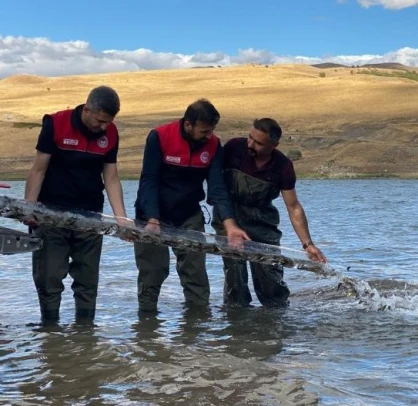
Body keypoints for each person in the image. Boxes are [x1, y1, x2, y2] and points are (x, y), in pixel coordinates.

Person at [133, 98, 250, 313]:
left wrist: (231, 226)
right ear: (188, 124)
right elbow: (149, 179)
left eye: (212, 130)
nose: (209, 135)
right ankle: (147, 330)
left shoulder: (214, 145)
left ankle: (197, 333)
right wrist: (152, 219)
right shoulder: (159, 136)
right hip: (151, 213)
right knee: (153, 272)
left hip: (189, 215)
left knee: (195, 275)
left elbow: (217, 189)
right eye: (205, 131)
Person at [24, 86, 127, 324]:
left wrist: (121, 218)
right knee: (49, 279)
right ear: (87, 109)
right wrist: (30, 209)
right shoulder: (56, 124)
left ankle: (85, 337)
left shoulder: (110, 133)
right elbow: (38, 170)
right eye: (100, 121)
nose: (103, 127)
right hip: (50, 214)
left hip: (91, 216)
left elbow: (111, 178)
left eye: (108, 122)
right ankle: (49, 332)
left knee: (88, 282)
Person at [211, 118, 327, 308]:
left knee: (271, 278)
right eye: (250, 138)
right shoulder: (233, 148)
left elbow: (293, 207)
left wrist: (308, 244)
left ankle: (275, 324)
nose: (250, 144)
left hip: (262, 223)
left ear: (274, 145)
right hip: (228, 220)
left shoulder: (283, 166)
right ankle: (236, 324)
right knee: (235, 279)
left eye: (258, 143)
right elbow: (214, 183)